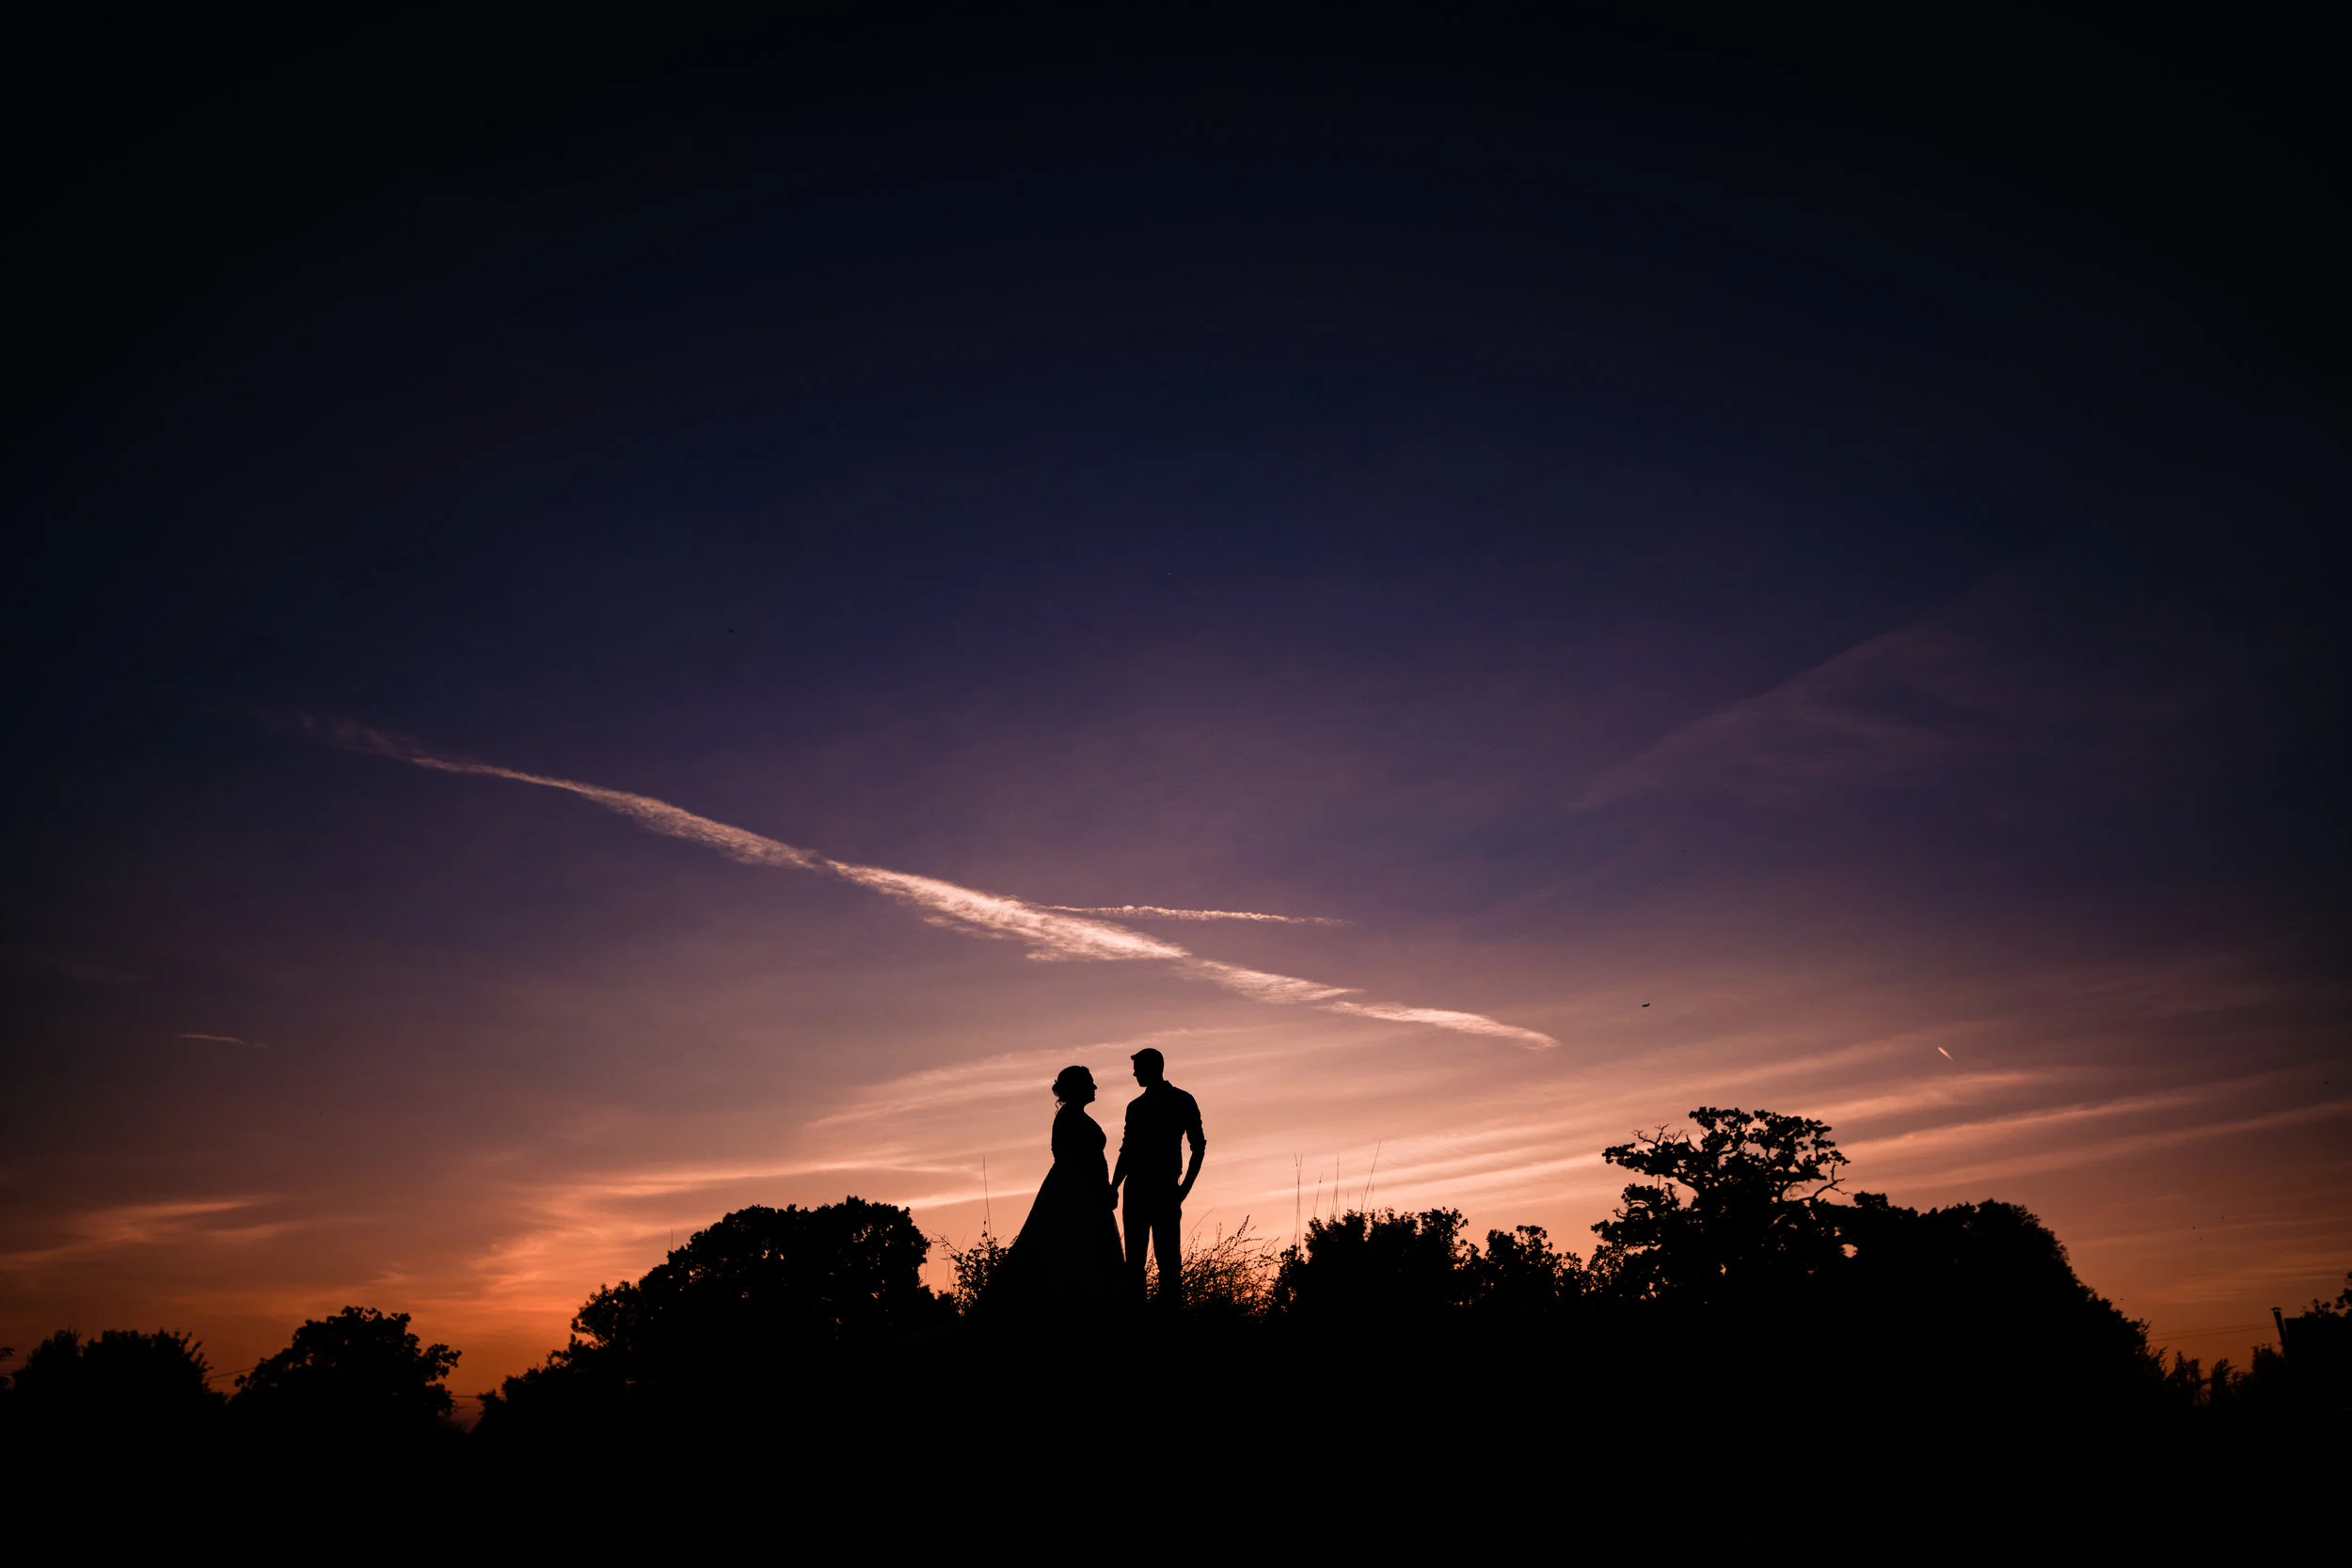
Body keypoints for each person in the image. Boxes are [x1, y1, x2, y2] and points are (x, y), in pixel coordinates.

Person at [999, 1065, 1124, 1320]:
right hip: (1077, 1194)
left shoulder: (1071, 1116)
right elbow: (1081, 1160)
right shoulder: (1071, 1118)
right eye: (1090, 1082)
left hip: (1080, 1190)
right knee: (1075, 1249)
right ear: (1078, 1087)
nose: (1095, 1087)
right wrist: (1102, 1189)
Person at [1110, 1047, 1205, 1307]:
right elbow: (1127, 1150)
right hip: (1137, 1189)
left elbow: (1198, 1146)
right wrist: (1114, 1186)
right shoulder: (1135, 1107)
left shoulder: (1182, 1100)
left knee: (1169, 1263)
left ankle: (1170, 1321)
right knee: (1135, 1264)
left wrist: (1184, 1188)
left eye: (1137, 1069)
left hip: (1164, 1189)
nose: (1133, 1074)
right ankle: (1138, 1319)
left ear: (1153, 1068)